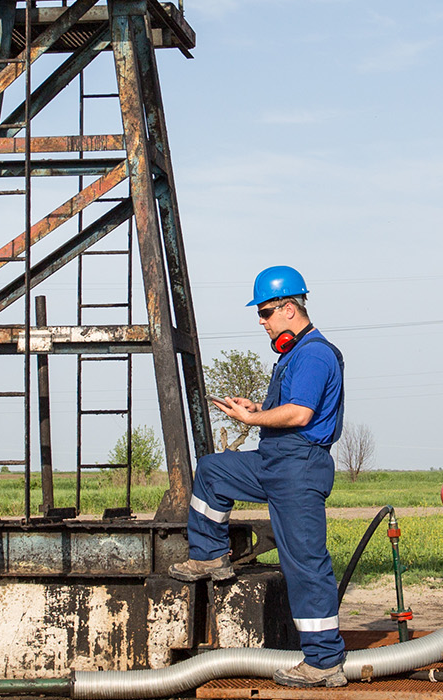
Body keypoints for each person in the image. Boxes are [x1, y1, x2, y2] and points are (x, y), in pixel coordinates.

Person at [169, 265, 347, 689]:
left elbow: (300, 414)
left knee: (304, 563)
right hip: (274, 462)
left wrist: (251, 416)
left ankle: (324, 661)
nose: (262, 322)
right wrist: (256, 409)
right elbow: (285, 412)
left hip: (299, 467)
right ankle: (210, 555)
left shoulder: (315, 354)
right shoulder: (291, 356)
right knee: (213, 471)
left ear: (290, 308)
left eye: (266, 312)